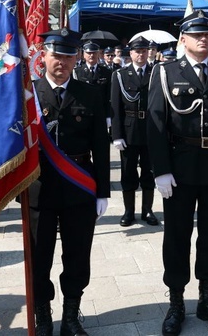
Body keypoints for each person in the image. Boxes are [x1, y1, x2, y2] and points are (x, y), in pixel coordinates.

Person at [147, 10, 208, 335]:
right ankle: (176, 302)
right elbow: (156, 125)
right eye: (197, 35)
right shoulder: (165, 73)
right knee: (176, 237)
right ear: (184, 40)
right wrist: (161, 170)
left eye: (207, 35)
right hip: (180, 167)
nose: (204, 40)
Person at [31, 28, 111, 336]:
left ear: (76, 57)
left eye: (68, 56)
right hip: (39, 188)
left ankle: (70, 314)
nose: (61, 62)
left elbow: (100, 147)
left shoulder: (89, 93)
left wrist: (102, 190)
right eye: (56, 55)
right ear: (44, 56)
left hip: (79, 186)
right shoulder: (30, 92)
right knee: (40, 255)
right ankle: (41, 314)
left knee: (77, 255)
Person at [111, 36, 158, 227]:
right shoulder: (120, 75)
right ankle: (129, 211)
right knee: (128, 172)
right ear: (130, 53)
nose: (141, 54)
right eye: (137, 51)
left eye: (144, 51)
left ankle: (147, 210)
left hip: (150, 130)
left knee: (149, 172)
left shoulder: (156, 73)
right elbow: (115, 107)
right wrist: (116, 135)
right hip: (129, 131)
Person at [72, 38, 112, 119]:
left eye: (94, 53)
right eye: (89, 53)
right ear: (84, 54)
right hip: (83, 112)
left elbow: (109, 96)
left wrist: (108, 116)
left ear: (98, 54)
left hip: (100, 111)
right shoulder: (77, 72)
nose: (91, 55)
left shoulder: (106, 72)